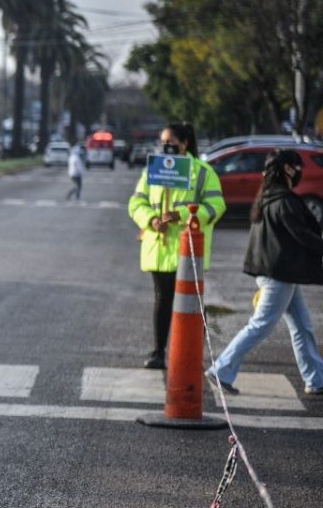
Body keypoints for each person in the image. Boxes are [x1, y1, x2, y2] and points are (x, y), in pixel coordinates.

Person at [206, 150, 323, 396]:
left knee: (302, 326)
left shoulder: (268, 197)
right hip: (278, 274)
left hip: (277, 272)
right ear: (288, 169)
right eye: (297, 166)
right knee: (260, 326)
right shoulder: (284, 201)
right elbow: (302, 235)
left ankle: (316, 378)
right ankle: (221, 369)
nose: (301, 171)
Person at [127, 123, 226, 369]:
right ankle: (159, 352)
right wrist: (151, 220)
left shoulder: (203, 172)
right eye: (162, 142)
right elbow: (136, 203)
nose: (165, 147)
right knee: (162, 300)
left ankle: (191, 355)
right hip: (159, 247)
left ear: (183, 143)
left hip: (189, 250)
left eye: (170, 142)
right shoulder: (154, 170)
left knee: (191, 306)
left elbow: (216, 207)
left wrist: (181, 214)